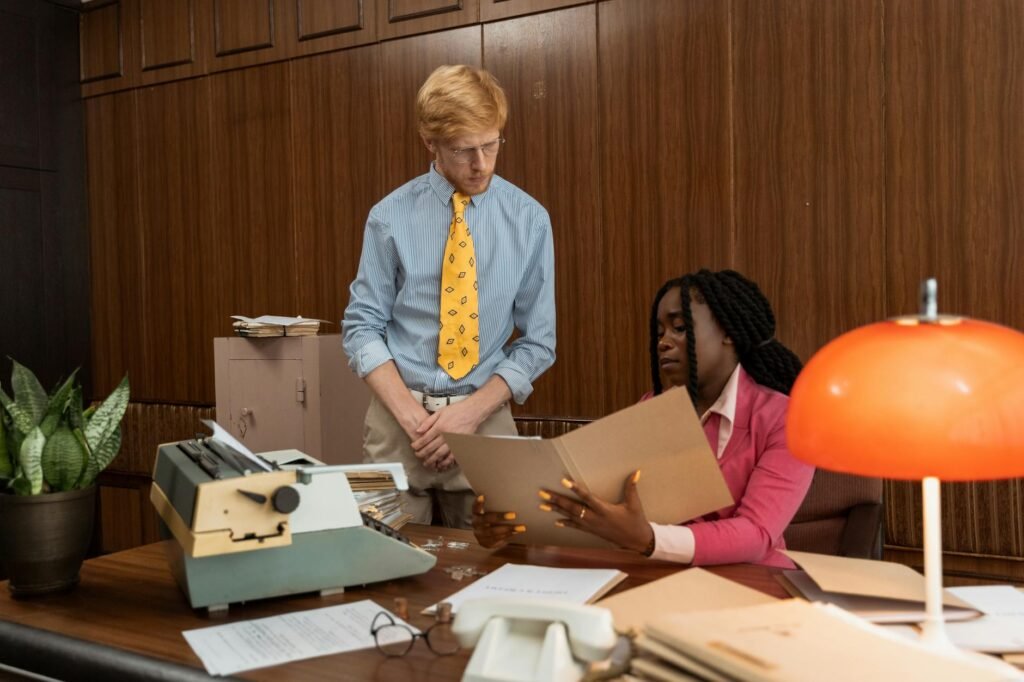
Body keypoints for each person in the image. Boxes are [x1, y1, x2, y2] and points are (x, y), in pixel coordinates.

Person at [472, 269, 813, 566]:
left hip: (754, 584)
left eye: (680, 328)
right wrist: (515, 527)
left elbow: (756, 534)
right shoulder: (653, 407)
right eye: (660, 331)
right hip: (657, 577)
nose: (664, 342)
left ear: (729, 333)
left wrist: (648, 539)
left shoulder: (787, 420)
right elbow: (610, 515)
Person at [342, 65, 556, 529]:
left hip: (485, 421)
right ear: (430, 144)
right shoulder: (388, 217)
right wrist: (412, 417)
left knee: (496, 567)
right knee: (383, 568)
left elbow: (539, 341)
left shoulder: (530, 219)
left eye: (492, 144)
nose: (481, 164)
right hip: (397, 424)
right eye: (463, 151)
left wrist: (470, 412)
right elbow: (361, 327)